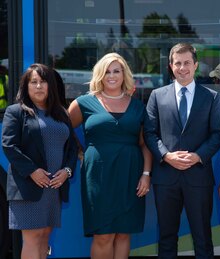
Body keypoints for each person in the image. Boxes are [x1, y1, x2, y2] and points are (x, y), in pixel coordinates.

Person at [144, 43, 220, 258]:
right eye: (177, 63)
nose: (182, 68)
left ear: (196, 65)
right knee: (167, 239)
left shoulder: (211, 97)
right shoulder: (157, 96)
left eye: (187, 63)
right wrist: (166, 155)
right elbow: (150, 133)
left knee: (203, 238)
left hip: (198, 177)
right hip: (166, 178)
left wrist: (198, 156)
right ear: (171, 66)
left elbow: (218, 134)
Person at [68, 53, 152, 259]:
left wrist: (146, 174)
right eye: (107, 71)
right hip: (98, 175)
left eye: (116, 71)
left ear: (124, 74)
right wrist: (80, 152)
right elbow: (63, 131)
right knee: (103, 235)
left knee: (123, 233)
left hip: (130, 175)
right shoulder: (83, 103)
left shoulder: (138, 106)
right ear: (99, 74)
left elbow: (144, 144)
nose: (111, 76)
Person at [1, 63, 78, 259]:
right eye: (33, 82)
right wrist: (32, 171)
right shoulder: (16, 112)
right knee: (33, 237)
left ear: (50, 85)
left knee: (45, 235)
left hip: (54, 187)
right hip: (28, 186)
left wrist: (67, 172)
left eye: (43, 81)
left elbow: (71, 149)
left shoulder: (61, 113)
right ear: (25, 87)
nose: (38, 86)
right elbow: (9, 146)